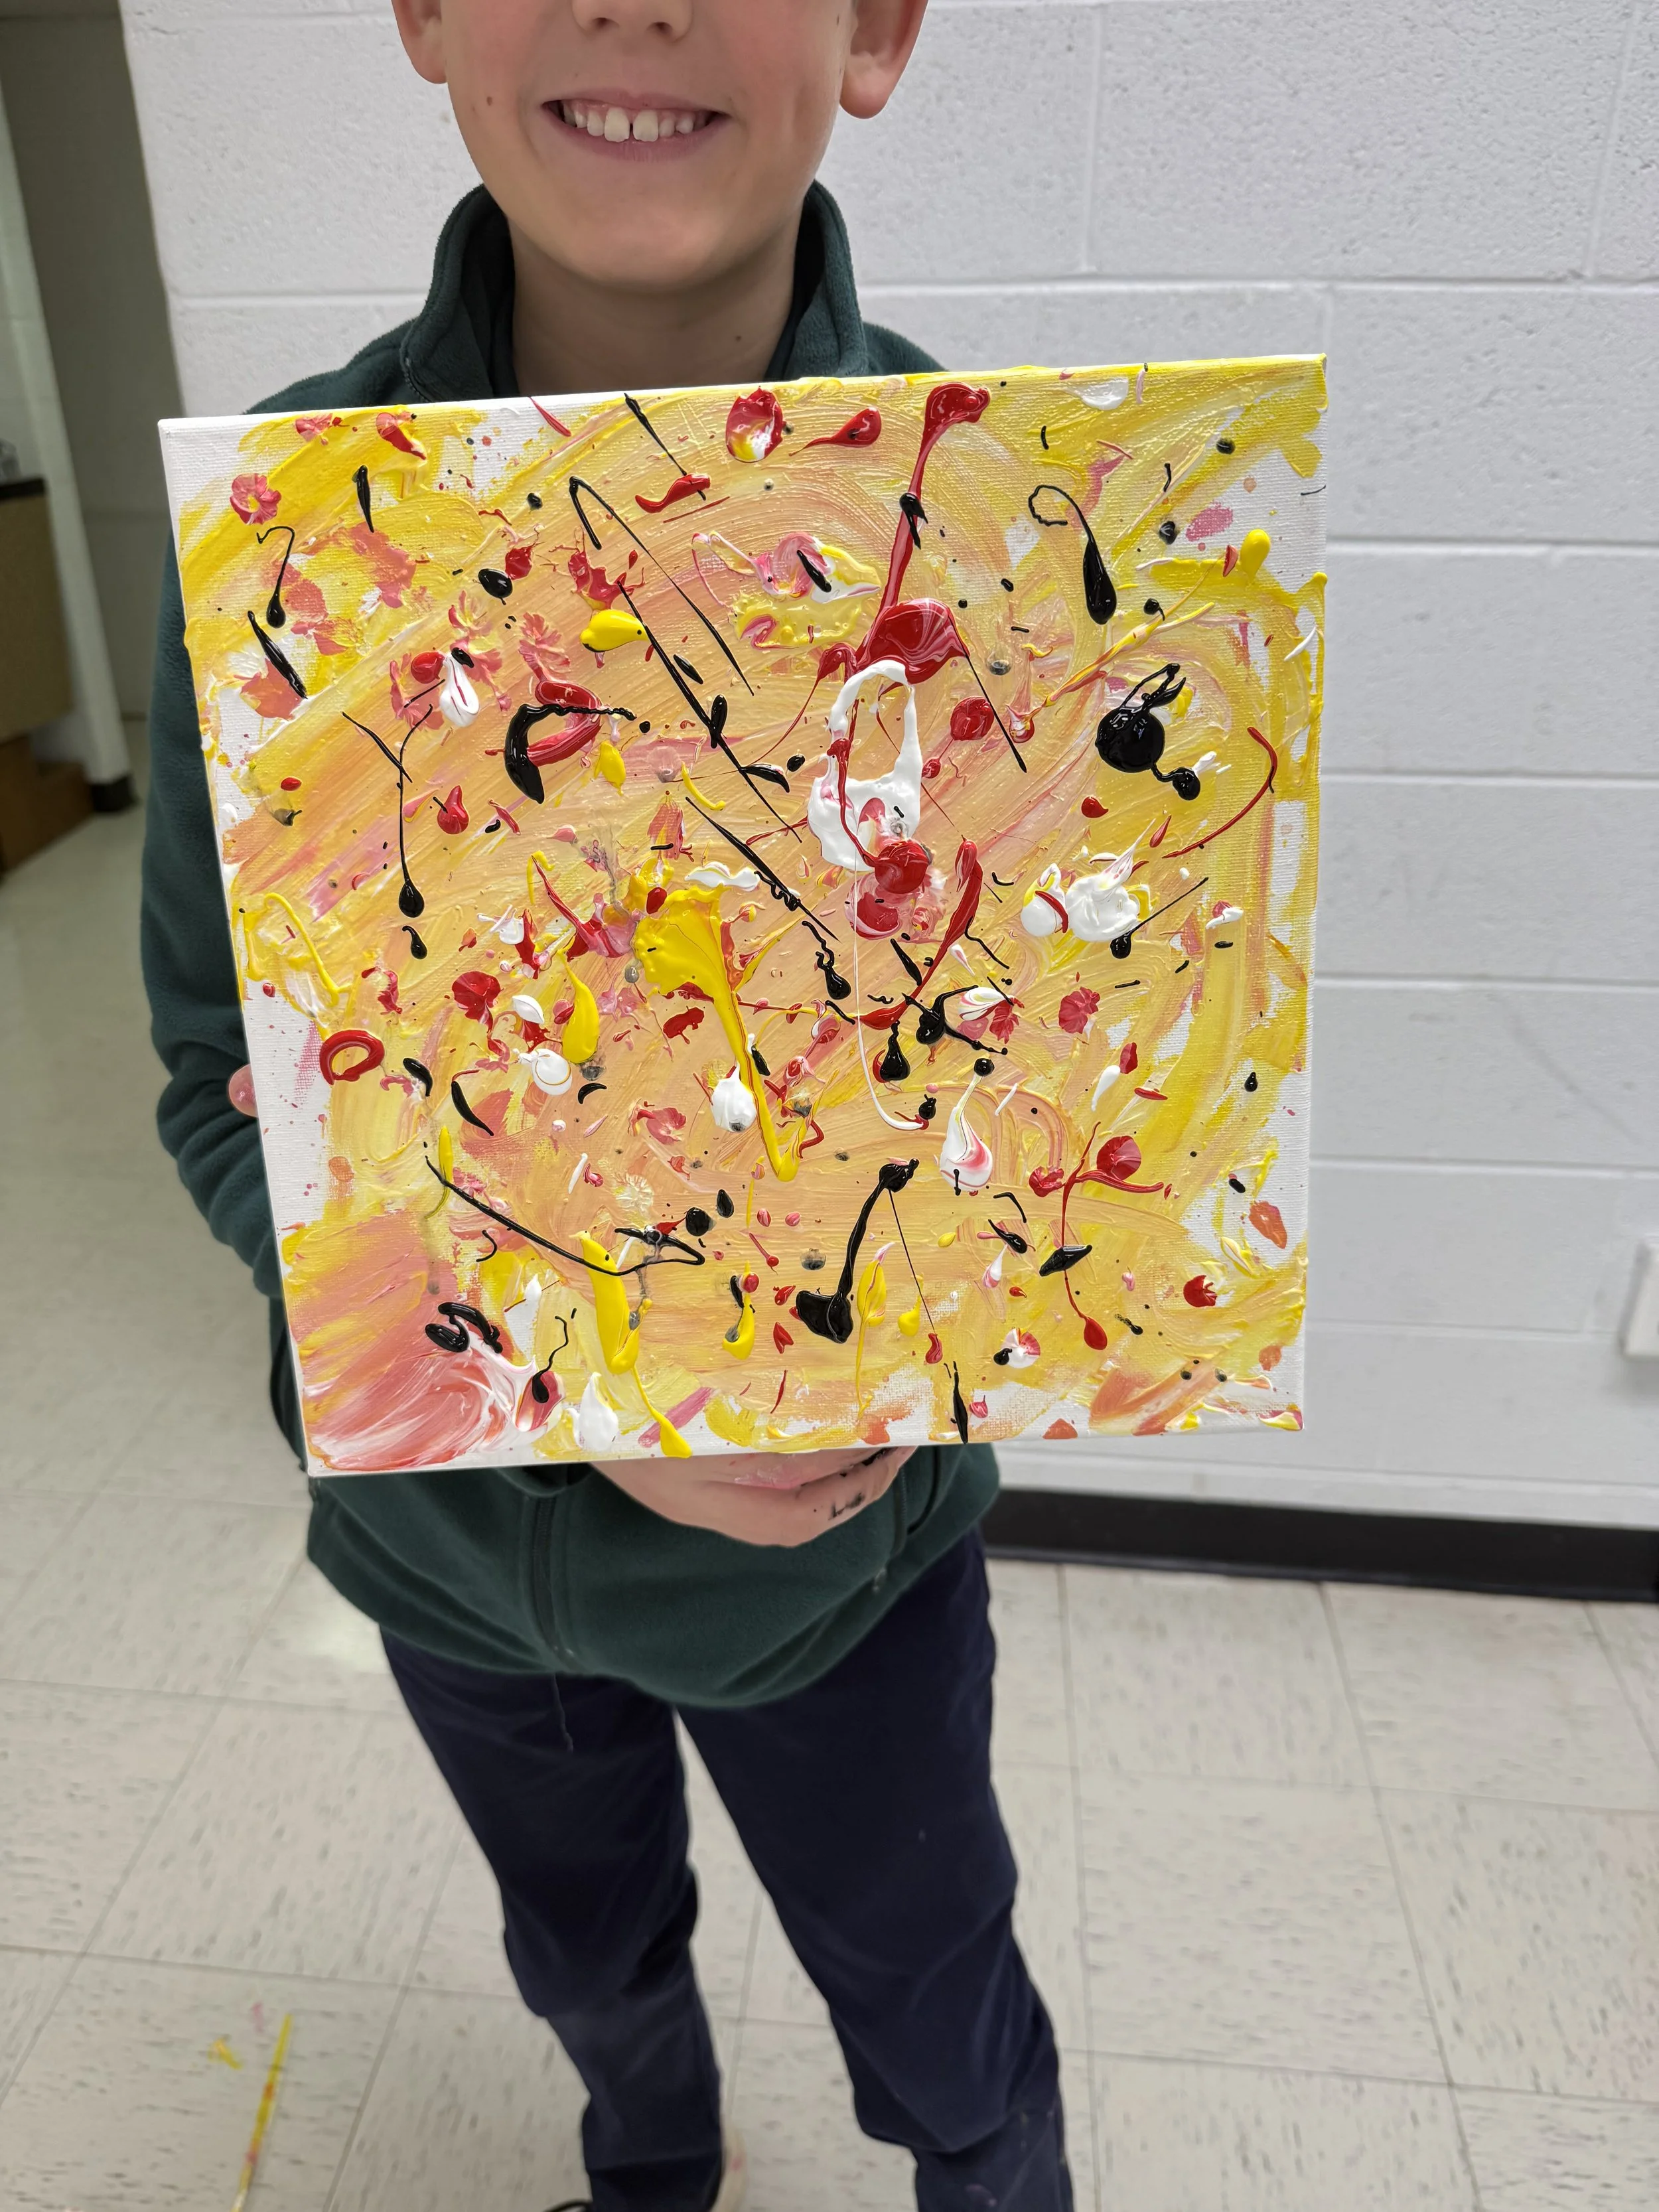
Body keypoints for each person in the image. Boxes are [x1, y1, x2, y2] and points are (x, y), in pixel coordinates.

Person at [140, 5, 1072, 2207]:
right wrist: (580, 1382)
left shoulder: (1007, 519)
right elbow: (216, 1081)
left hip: (833, 1568)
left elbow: (1038, 1139)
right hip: (450, 1556)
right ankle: (651, 2166)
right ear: (428, 19)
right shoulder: (287, 532)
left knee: (941, 2014)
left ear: (871, 32)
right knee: (586, 1964)